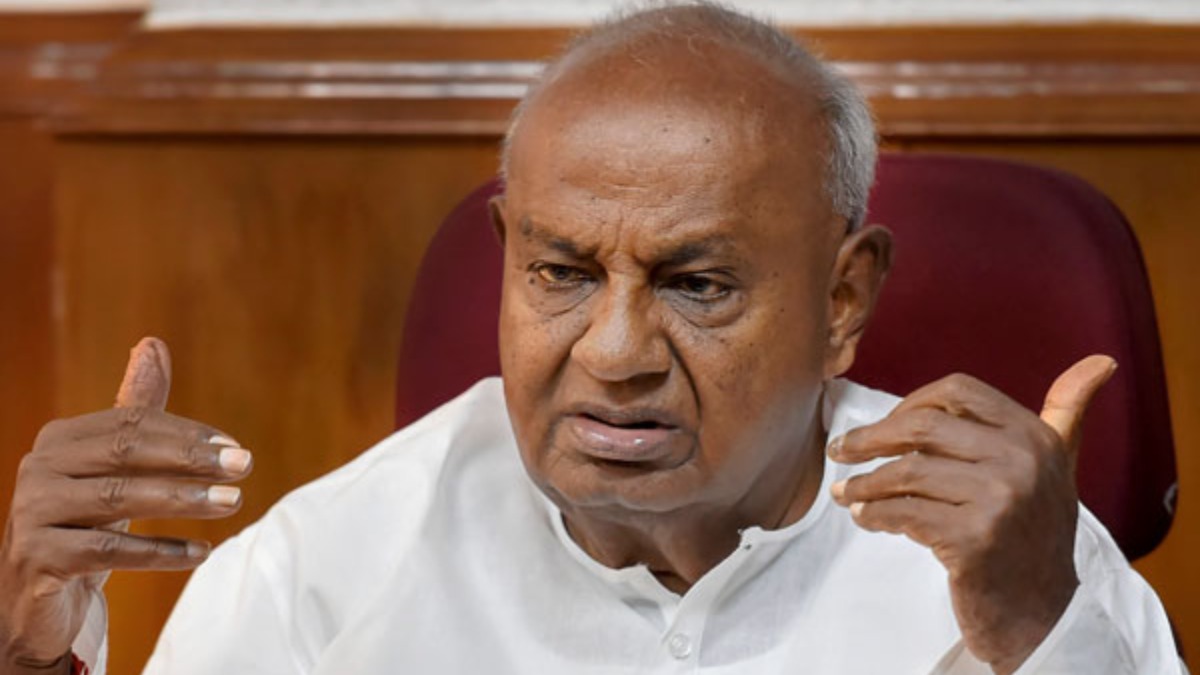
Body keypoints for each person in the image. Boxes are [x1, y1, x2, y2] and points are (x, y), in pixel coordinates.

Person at [0, 3, 1184, 674]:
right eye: (561, 273)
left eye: (697, 285)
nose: (614, 353)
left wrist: (1034, 634)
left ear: (842, 302)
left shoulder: (1014, 570)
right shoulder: (326, 569)